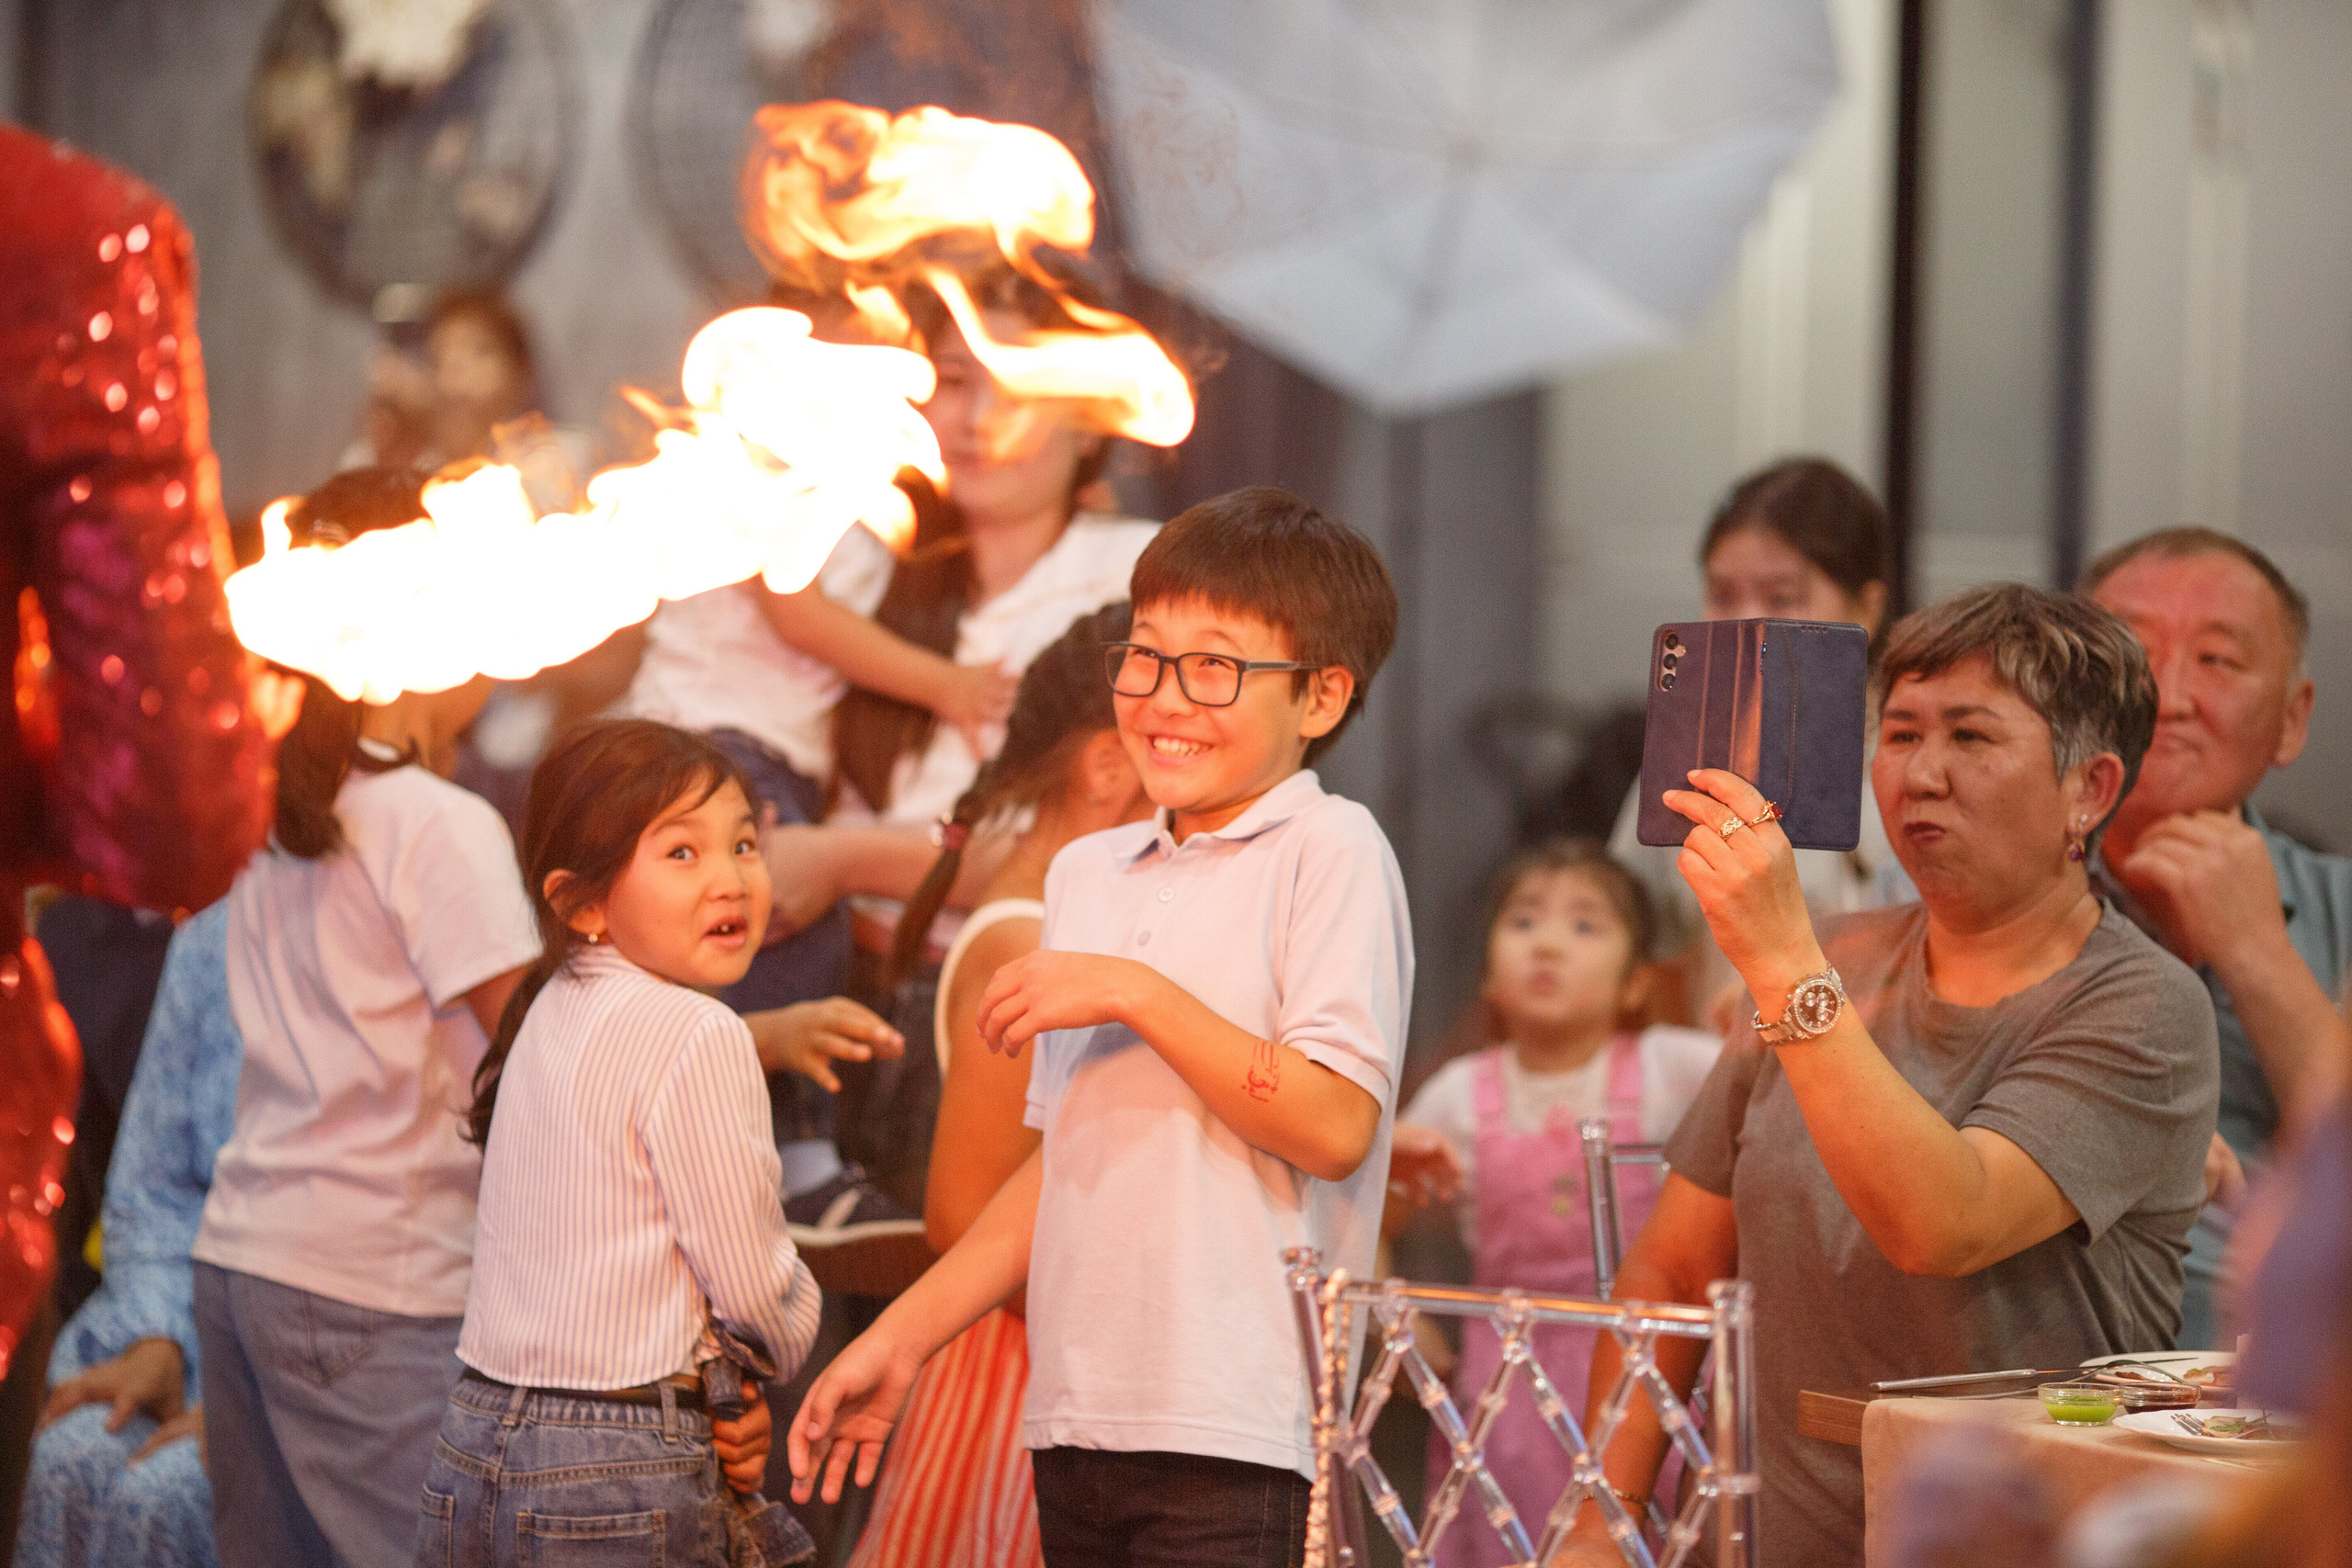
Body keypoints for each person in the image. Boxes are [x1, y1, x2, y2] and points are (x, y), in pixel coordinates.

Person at [787, 488, 1408, 1567]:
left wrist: (1136, 993)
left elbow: (1334, 1125)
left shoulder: (1331, 849)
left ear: (1319, 697)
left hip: (1238, 1423)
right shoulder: (1089, 873)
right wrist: (905, 1338)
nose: (1165, 698)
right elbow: (1053, 1168)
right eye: (1145, 656)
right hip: (1076, 1412)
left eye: (1215, 666)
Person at [1557, 584, 2219, 1568]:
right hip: (1764, 1535)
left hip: (2013, 1539)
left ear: (2088, 787)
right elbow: (1674, 1270)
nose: (1920, 774)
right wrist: (1600, 1516)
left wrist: (1782, 963)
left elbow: (1941, 1220)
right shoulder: (1834, 953)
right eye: (1900, 733)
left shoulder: (2143, 1005)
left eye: (1970, 737)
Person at [187, 468, 541, 1568]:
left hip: (244, 1258)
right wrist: (744, 1037)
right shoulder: (438, 823)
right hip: (372, 1281)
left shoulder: (265, 800)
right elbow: (540, 1050)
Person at [756, 273, 1158, 1220]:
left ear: (1089, 415)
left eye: (1013, 386)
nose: (975, 419)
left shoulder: (1133, 572)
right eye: (949, 379)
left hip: (1005, 995)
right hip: (843, 997)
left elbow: (1098, 840)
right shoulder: (872, 570)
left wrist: (847, 857)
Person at [418, 719, 820, 1567]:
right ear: (583, 902)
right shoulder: (698, 1031)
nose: (730, 878)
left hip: (473, 1433)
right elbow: (749, 1286)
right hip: (617, 1461)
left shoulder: (545, 1011)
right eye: (682, 853)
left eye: (744, 843)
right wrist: (787, 1339)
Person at [846, 603, 1154, 1568]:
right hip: (1018, 1384)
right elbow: (961, 1215)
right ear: (1110, 767)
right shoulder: (1024, 946)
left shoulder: (1063, 935)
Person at [1385, 841, 1718, 1566]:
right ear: (1486, 976)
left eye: (1586, 925)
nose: (1548, 943)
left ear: (1636, 982)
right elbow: (1371, 1211)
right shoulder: (1458, 1094)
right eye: (1524, 920)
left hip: (1649, 1386)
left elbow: (1768, 1096)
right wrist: (1402, 1321)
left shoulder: (1674, 1067)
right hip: (1504, 1400)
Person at [2082, 528, 2352, 1349]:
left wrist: (2256, 949)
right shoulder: (1975, 896)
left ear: (2292, 719)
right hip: (2036, 1392)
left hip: (2290, 1412)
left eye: (2219, 661)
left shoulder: (2341, 906)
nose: (2169, 695)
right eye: (2132, 652)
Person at [1608, 458, 1902, 1027]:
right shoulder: (1679, 762)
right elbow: (1636, 948)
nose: (1747, 621)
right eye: (1721, 595)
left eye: (1783, 596)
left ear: (1866, 606)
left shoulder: (1905, 762)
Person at [16, 905, 239, 1568]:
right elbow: (152, 1183)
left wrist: (260, 1402)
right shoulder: (211, 942)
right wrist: (157, 1333)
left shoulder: (419, 929)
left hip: (321, 1350)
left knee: (164, 1498)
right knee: (63, 1457)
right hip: (186, 1310)